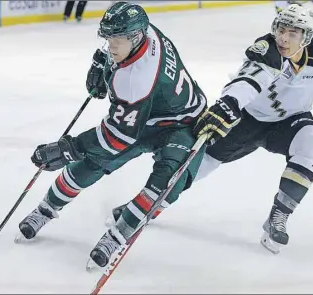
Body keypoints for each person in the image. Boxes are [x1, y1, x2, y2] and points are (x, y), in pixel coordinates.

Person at [17, 1, 207, 268]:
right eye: (108, 38)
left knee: (166, 184)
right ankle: (45, 210)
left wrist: (69, 147)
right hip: (147, 111)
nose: (111, 46)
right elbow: (123, 61)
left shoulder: (137, 79)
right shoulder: (145, 31)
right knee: (91, 164)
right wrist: (105, 64)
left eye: (117, 40)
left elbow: (116, 138)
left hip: (182, 123)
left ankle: (116, 237)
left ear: (136, 36)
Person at [191, 4, 313, 254]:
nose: (284, 38)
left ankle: (278, 216)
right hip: (247, 120)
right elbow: (246, 81)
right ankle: (149, 205)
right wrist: (229, 103)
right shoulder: (266, 50)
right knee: (199, 166)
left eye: (293, 33)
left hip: (290, 122)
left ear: (306, 37)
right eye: (281, 30)